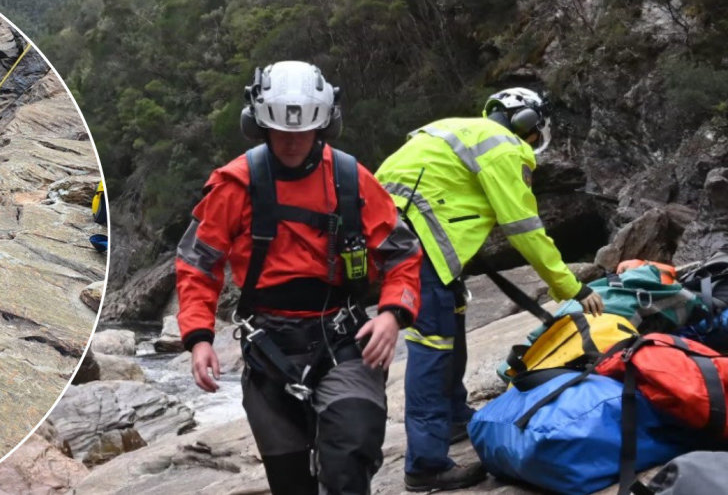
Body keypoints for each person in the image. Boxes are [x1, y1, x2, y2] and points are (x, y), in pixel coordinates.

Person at [175, 61, 422, 495]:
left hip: (343, 339)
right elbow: (198, 264)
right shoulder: (234, 184)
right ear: (258, 124)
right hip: (269, 346)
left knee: (349, 455)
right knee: (291, 484)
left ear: (324, 125)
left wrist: (391, 314)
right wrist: (199, 337)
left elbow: (402, 252)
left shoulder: (352, 180)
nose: (291, 143)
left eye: (303, 131)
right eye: (281, 131)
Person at [375, 87, 606, 491]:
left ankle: (452, 419)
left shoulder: (454, 127)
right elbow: (524, 228)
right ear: (527, 124)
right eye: (534, 132)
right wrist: (570, 287)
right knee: (432, 348)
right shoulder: (504, 146)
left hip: (394, 235)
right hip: (418, 244)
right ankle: (425, 466)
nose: (533, 140)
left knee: (449, 328)